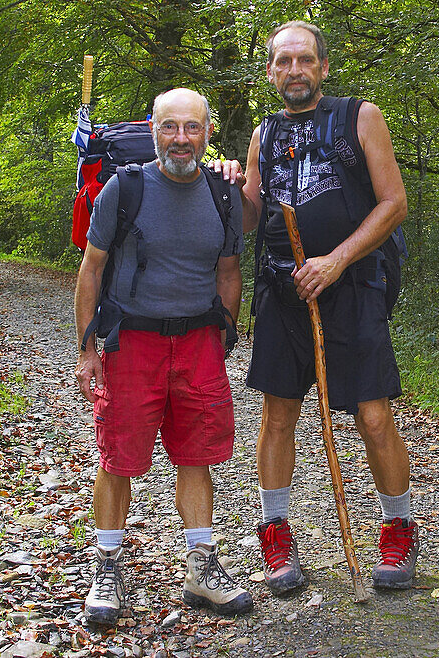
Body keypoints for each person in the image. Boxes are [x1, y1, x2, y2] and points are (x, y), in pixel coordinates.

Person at [240, 21, 419, 594]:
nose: (294, 70)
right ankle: (275, 534)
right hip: (282, 292)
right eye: (283, 62)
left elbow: (393, 204)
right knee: (278, 416)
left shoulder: (358, 117)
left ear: (321, 67)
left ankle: (398, 529)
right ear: (270, 71)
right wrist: (222, 181)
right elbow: (247, 217)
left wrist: (337, 260)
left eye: (304, 60)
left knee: (372, 414)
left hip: (354, 287)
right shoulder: (263, 135)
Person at [74, 87, 252, 626]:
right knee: (118, 457)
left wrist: (223, 336)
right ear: (152, 129)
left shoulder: (224, 195)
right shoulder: (123, 189)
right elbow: (92, 269)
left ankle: (201, 567)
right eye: (170, 127)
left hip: (198, 343)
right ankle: (107, 570)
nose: (181, 138)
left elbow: (228, 273)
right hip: (132, 342)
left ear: (207, 132)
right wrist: (87, 349)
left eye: (192, 128)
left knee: (198, 454)